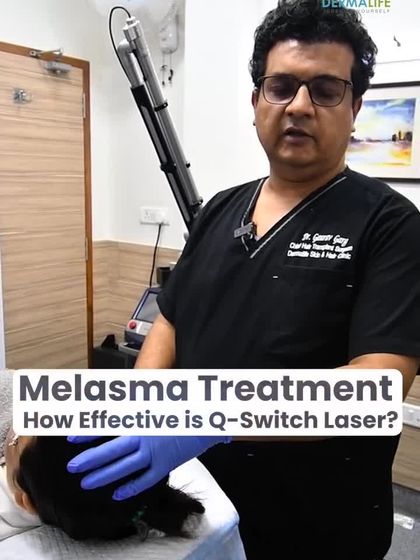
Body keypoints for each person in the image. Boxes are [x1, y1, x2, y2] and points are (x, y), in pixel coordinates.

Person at [67, 1, 420, 558]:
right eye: (281, 87)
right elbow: (173, 319)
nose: (299, 106)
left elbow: (374, 390)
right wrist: (142, 404)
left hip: (318, 525)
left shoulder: (391, 226)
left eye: (326, 90)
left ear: (355, 108)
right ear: (257, 101)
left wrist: (210, 416)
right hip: (200, 506)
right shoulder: (219, 209)